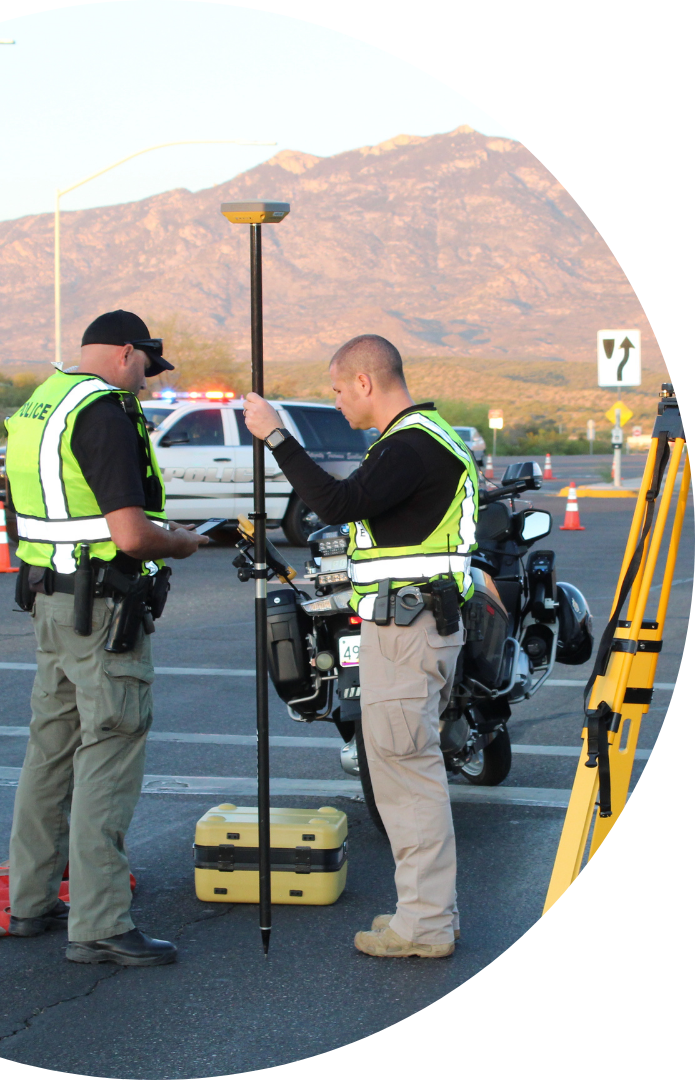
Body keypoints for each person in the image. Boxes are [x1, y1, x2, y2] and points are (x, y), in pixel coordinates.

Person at [242, 334, 478, 959]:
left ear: (367, 382)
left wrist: (275, 436)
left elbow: (339, 503)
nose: (338, 400)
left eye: (339, 388)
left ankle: (425, 925)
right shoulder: (424, 438)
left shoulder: (412, 445)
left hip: (408, 633)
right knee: (406, 771)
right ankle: (428, 914)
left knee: (405, 776)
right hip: (412, 627)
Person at [4, 309, 209, 967]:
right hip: (103, 615)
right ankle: (98, 924)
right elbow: (130, 535)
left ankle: (31, 902)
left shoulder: (43, 404)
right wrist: (182, 544)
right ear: (126, 352)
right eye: (147, 367)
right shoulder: (104, 413)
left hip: (51, 602)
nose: (147, 383)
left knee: (50, 750)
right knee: (109, 750)